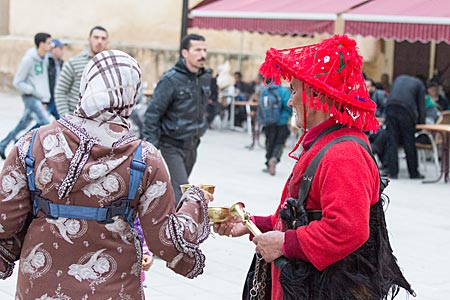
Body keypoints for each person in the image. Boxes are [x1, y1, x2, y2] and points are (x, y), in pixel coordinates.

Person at [214, 35, 414, 300]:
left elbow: (347, 229)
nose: (290, 100)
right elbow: (307, 216)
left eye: (295, 90)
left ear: (315, 94)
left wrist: (284, 243)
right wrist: (251, 224)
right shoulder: (326, 143)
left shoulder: (344, 154)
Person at [0, 50, 212, 299]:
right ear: (132, 94)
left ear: (86, 85)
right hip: (114, 287)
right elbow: (165, 240)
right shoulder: (144, 158)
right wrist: (195, 202)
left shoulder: (33, 143)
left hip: (40, 285)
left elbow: (5, 220)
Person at [142, 33, 211, 204]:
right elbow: (153, 113)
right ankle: (181, 228)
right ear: (185, 53)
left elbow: (210, 104)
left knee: (175, 191)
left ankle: (166, 224)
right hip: (171, 144)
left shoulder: (205, 77)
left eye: (204, 50)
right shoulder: (170, 80)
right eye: (197, 50)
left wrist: (203, 126)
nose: (202, 54)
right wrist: (151, 147)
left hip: (193, 144)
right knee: (183, 190)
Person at [0, 32, 52, 160]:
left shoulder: (44, 58)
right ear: (41, 44)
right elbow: (17, 81)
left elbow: (42, 80)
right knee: (45, 124)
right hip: (31, 97)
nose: (51, 45)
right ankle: (21, 145)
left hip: (40, 97)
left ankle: (3, 144)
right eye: (49, 43)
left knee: (23, 124)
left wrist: (45, 98)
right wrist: (32, 90)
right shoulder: (28, 59)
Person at [54, 25, 109, 117]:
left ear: (107, 42)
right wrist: (66, 118)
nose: (100, 41)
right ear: (89, 39)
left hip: (99, 120)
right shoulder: (74, 63)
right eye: (96, 37)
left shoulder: (110, 65)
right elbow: (60, 91)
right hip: (75, 118)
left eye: (103, 38)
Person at [383, 74, 426, 179]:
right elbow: (421, 106)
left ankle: (392, 172)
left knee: (392, 141)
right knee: (409, 142)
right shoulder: (420, 85)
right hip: (406, 110)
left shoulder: (398, 78)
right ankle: (413, 173)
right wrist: (420, 124)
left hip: (390, 107)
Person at [258, 82, 292, 175]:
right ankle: (274, 158)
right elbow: (289, 106)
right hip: (282, 121)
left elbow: (260, 106)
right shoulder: (284, 91)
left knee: (269, 141)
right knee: (280, 142)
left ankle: (268, 162)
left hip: (268, 122)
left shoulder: (265, 91)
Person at [47, 38, 66, 120]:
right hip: (47, 98)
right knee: (42, 122)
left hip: (56, 97)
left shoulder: (60, 62)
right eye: (60, 48)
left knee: (61, 120)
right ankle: (29, 133)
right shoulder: (47, 62)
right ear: (53, 49)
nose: (62, 51)